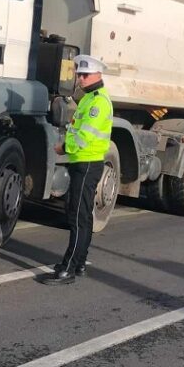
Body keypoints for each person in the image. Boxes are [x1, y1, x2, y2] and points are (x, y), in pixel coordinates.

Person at [44, 54, 113, 285]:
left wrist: (64, 147)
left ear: (98, 75)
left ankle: (69, 268)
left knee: (77, 216)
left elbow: (84, 136)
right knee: (82, 215)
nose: (80, 78)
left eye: (85, 74)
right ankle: (79, 262)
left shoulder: (98, 103)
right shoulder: (88, 99)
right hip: (83, 162)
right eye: (79, 74)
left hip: (87, 162)